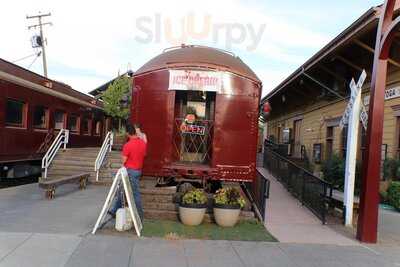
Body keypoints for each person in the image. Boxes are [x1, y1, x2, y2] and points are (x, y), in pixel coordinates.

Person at [109, 124, 147, 222]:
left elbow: (124, 160)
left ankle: (139, 217)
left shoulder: (128, 145)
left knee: (135, 195)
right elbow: (144, 155)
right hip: (138, 170)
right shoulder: (143, 143)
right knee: (121, 190)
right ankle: (114, 210)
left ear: (127, 133)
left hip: (130, 171)